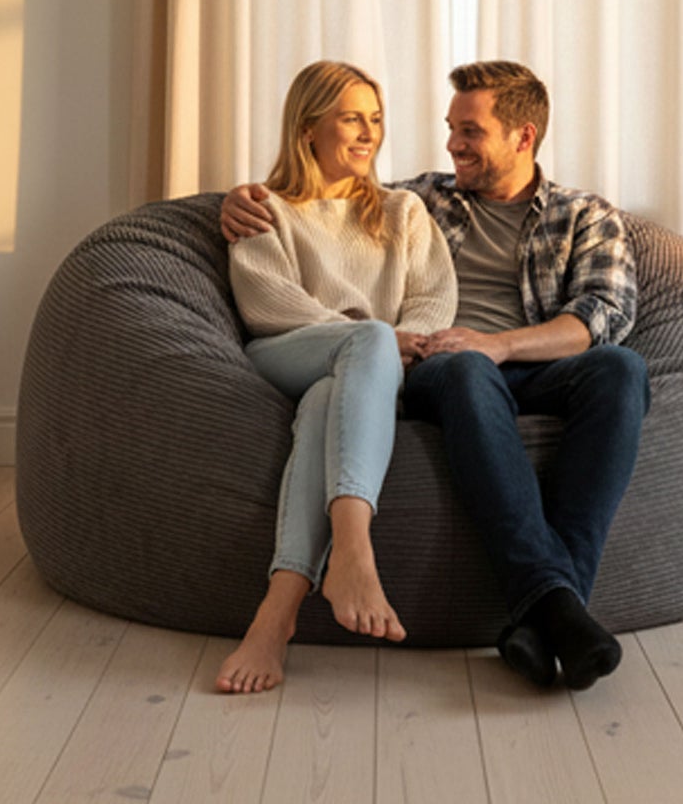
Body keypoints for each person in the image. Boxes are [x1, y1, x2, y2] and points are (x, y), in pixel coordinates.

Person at [224, 61, 650, 691]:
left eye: (470, 131)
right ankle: (557, 608)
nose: (452, 144)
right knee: (463, 369)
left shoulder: (586, 216)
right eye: (451, 128)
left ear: (523, 137)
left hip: (521, 363)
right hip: (438, 370)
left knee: (621, 369)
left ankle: (549, 613)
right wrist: (234, 198)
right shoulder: (427, 197)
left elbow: (602, 316)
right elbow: (328, 195)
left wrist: (498, 345)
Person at [217, 60, 457, 694]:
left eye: (375, 120)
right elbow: (268, 305)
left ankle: (276, 616)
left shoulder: (403, 211)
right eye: (352, 117)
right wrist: (372, 338)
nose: (368, 133)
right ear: (308, 125)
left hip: (364, 375)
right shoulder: (265, 208)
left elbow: (435, 296)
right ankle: (353, 548)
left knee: (329, 403)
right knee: (365, 343)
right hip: (285, 354)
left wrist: (397, 347)